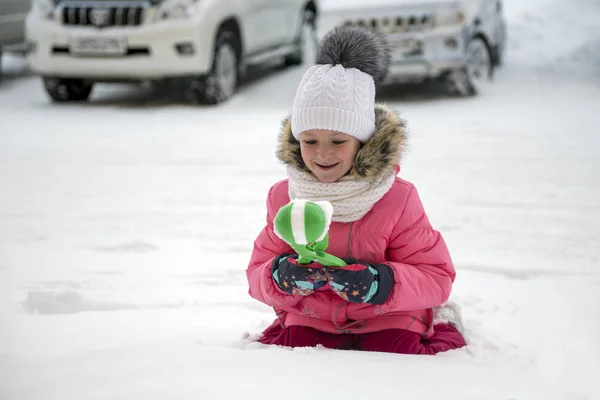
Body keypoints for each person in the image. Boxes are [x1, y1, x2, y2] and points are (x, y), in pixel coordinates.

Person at [245, 25, 466, 355]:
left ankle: (439, 324)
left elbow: (436, 277)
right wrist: (281, 277)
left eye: (337, 142)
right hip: (314, 317)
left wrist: (381, 283)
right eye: (310, 141)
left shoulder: (396, 198)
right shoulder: (284, 197)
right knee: (296, 351)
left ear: (362, 142)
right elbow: (256, 275)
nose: (323, 154)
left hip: (387, 316)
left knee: (399, 353)